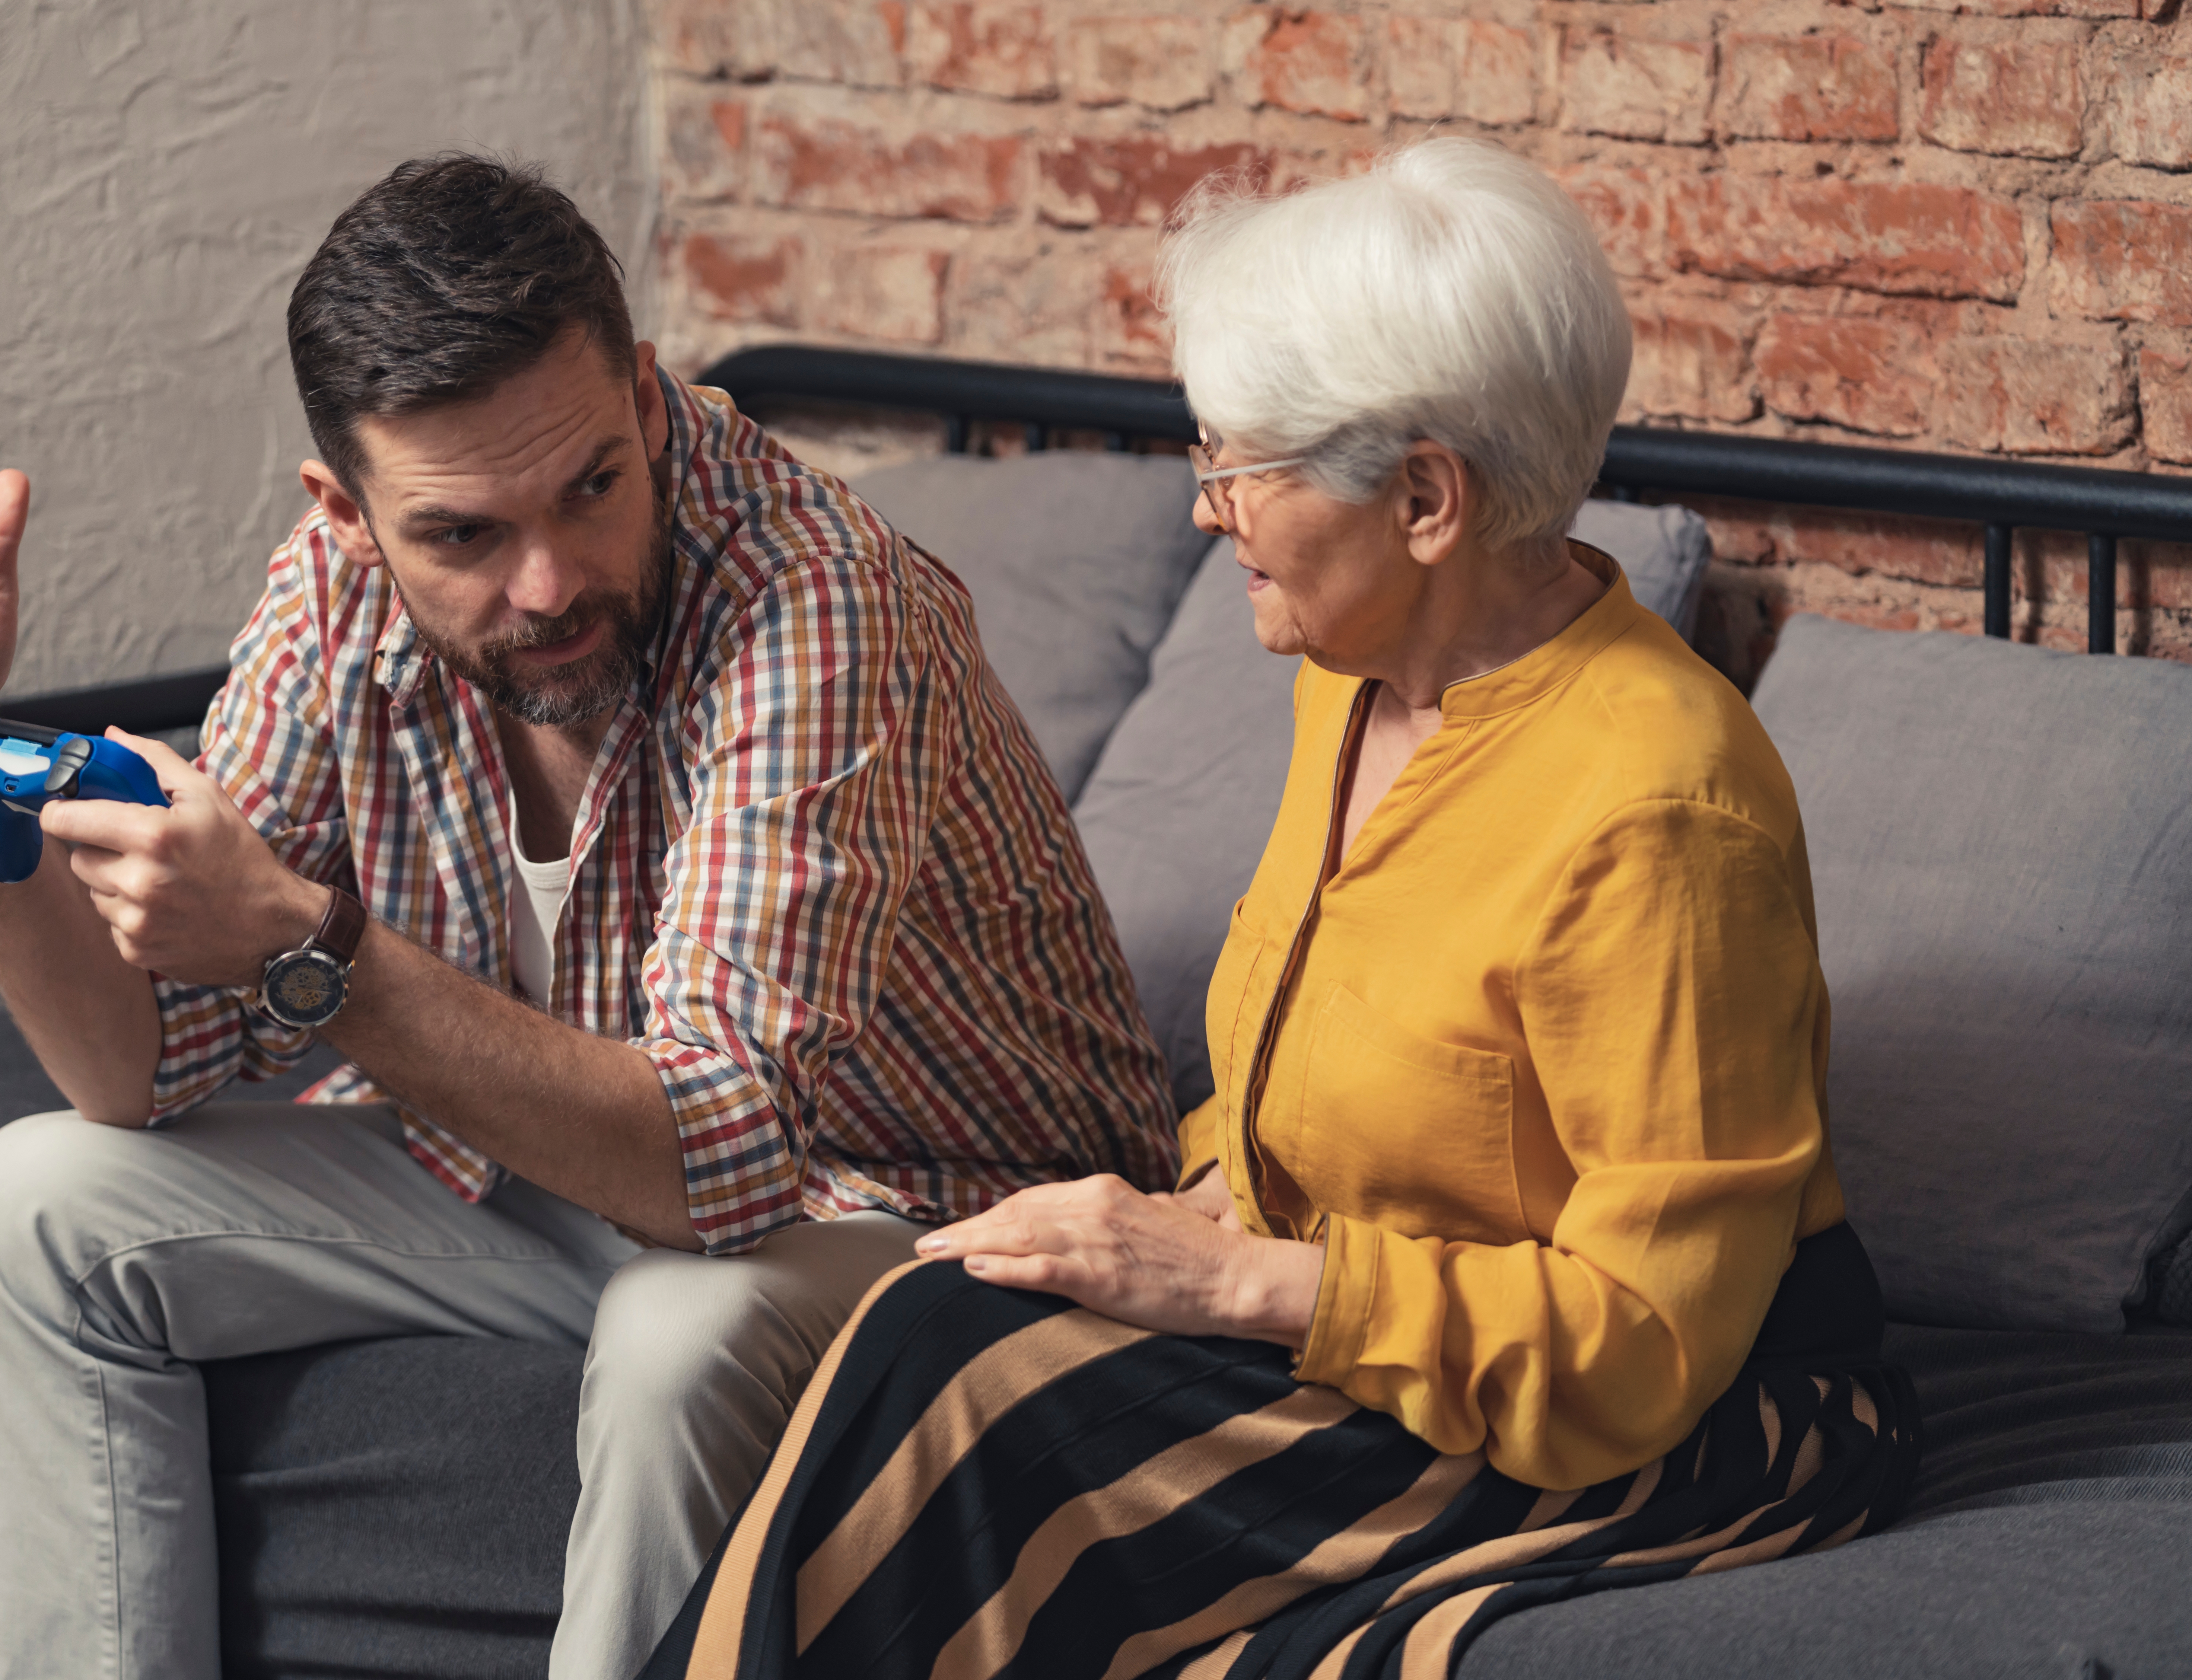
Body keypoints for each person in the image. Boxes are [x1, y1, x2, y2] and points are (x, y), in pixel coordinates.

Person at [0, 154, 1176, 1680]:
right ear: (348, 513)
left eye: (591, 486)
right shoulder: (333, 595)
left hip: (927, 1215)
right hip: (562, 1174)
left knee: (679, 1335)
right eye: (462, 535)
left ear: (650, 406)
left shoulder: (817, 599)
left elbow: (716, 1156)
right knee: (26, 1202)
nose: (548, 584)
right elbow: (127, 1071)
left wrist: (305, 946)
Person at [643, 137, 1920, 1680]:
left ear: (1426, 499)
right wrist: (1184, 1224)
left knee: (981, 1416)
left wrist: (1229, 1281)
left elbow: (1645, 1348)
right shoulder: (1358, 681)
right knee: (931, 1323)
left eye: (1238, 467)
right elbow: (1302, 1113)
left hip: (1671, 1416)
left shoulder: (1657, 808)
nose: (1206, 512)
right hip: (1372, 1334)